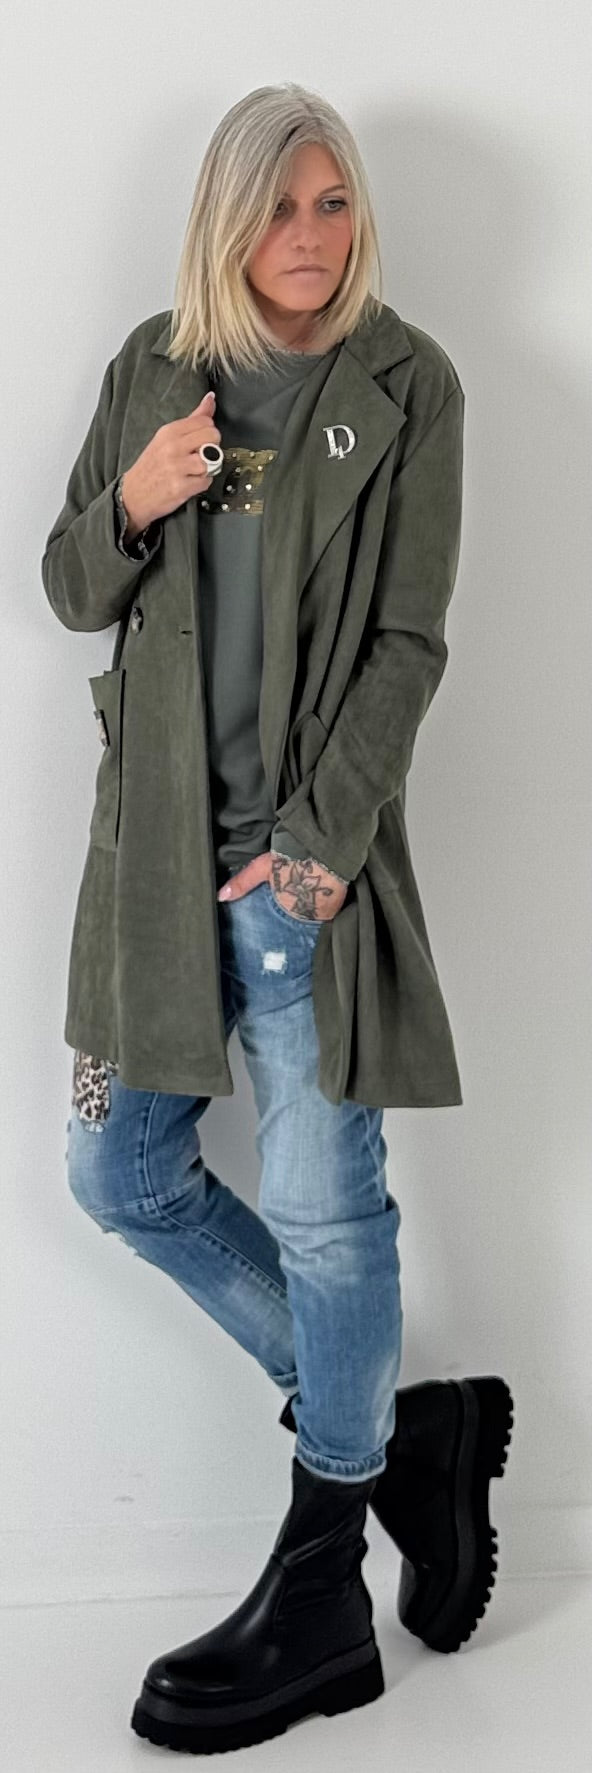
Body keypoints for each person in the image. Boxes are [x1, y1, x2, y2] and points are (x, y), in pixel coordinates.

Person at [41, 82, 513, 1755]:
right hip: (155, 871)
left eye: (332, 202)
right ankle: (398, 1435)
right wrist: (136, 496)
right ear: (225, 218)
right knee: (118, 1171)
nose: (309, 234)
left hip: (304, 883)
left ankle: (323, 1584)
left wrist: (316, 852)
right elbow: (68, 586)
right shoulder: (153, 369)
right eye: (278, 205)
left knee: (327, 1214)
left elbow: (409, 641)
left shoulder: (411, 384)